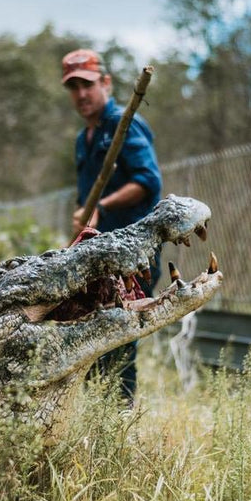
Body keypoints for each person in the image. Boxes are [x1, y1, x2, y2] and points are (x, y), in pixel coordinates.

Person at [61, 48, 163, 404]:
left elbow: (148, 182)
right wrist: (83, 212)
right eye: (73, 87)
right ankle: (97, 415)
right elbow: (86, 196)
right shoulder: (83, 139)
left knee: (120, 338)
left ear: (105, 83)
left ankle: (117, 418)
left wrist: (101, 207)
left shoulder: (125, 124)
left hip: (133, 251)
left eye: (87, 85)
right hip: (98, 255)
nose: (81, 94)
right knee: (93, 337)